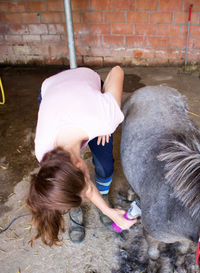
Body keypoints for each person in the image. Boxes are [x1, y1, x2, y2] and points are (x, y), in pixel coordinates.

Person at [27, 66, 137, 246]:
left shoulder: (105, 117)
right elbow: (73, 181)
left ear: (79, 165)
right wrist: (109, 212)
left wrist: (106, 98)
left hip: (86, 82)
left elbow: (117, 70)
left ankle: (100, 193)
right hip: (52, 90)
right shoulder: (44, 155)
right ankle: (71, 205)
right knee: (68, 185)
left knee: (104, 163)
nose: (87, 185)